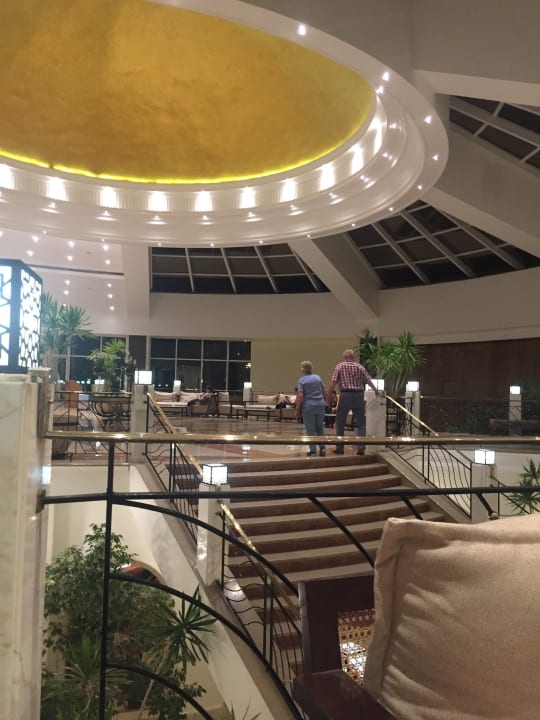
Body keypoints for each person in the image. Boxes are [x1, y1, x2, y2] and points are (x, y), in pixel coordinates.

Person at [327, 349, 380, 455]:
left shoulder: (339, 366)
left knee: (340, 422)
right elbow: (368, 380)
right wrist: (376, 390)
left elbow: (334, 381)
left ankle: (340, 448)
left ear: (344, 357)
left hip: (345, 395)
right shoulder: (360, 367)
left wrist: (328, 395)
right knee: (361, 423)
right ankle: (361, 448)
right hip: (358, 395)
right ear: (353, 357)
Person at [295, 360, 326, 457]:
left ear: (302, 369)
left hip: (308, 406)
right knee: (320, 428)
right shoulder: (317, 377)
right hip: (320, 404)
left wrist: (297, 409)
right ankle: (323, 448)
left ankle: (313, 451)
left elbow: (300, 396)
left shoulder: (302, 380)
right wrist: (326, 401)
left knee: (310, 429)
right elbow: (324, 390)